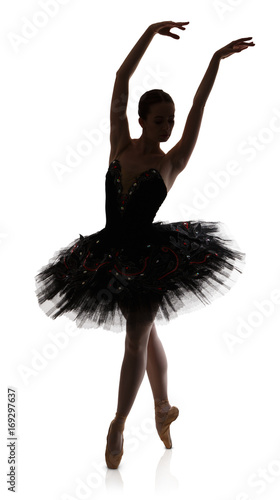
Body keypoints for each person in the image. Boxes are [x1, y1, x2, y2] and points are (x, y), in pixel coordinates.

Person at [34, 21, 255, 469]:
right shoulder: (118, 144)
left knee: (135, 339)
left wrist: (214, 62)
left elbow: (198, 107)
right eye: (160, 120)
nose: (169, 126)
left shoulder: (172, 160)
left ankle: (117, 423)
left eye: (170, 121)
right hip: (106, 253)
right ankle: (161, 408)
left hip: (154, 258)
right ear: (141, 120)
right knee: (146, 332)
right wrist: (150, 33)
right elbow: (120, 79)